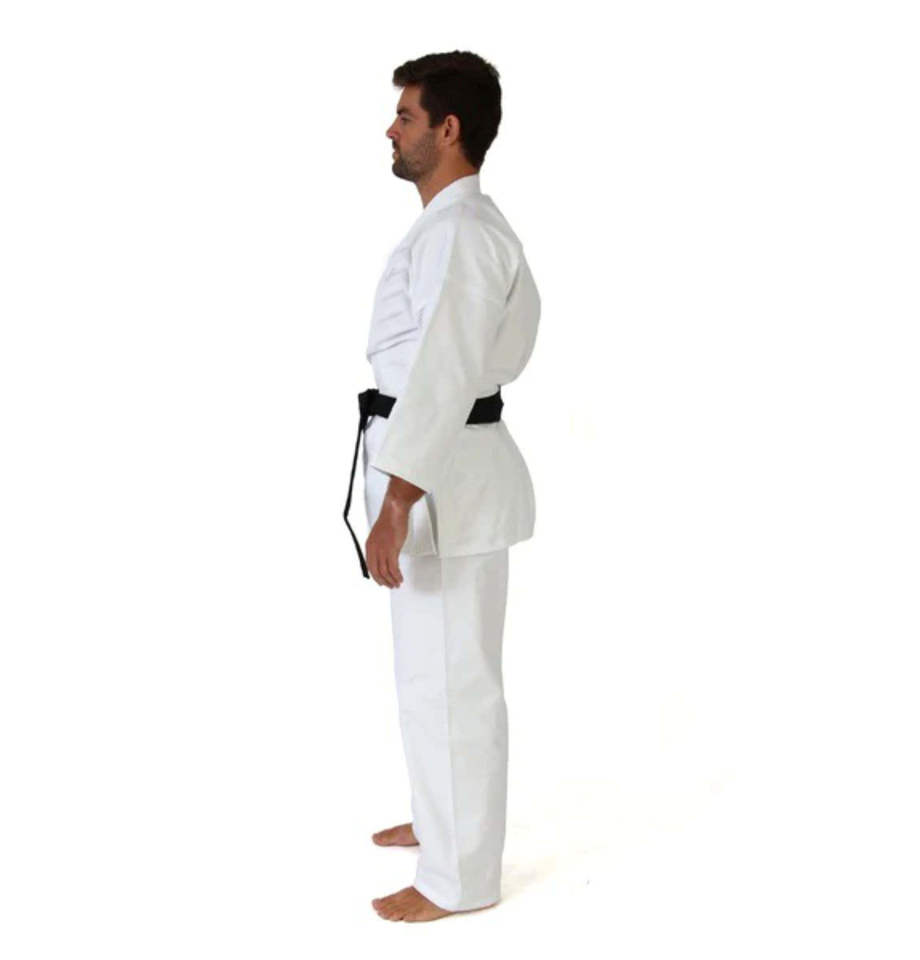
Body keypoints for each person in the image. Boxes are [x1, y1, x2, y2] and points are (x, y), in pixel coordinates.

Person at [348, 50, 540, 923]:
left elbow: (444, 371)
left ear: (448, 129)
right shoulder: (454, 228)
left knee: (455, 681)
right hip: (443, 476)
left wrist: (398, 501)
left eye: (406, 116)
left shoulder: (462, 235)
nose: (391, 130)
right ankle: (441, 821)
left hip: (443, 485)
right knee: (428, 672)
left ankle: (458, 880)